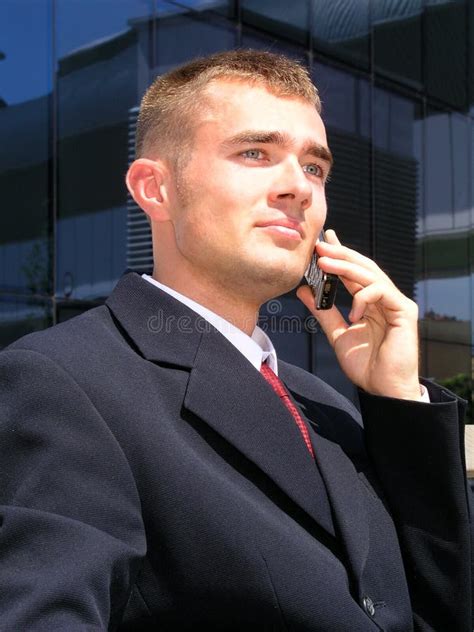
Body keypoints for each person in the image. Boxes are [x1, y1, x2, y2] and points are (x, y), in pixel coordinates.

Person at [0, 50, 471, 631]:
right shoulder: (62, 383)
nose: (299, 187)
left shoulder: (325, 404)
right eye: (256, 153)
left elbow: (436, 609)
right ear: (156, 189)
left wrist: (399, 402)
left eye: (315, 168)